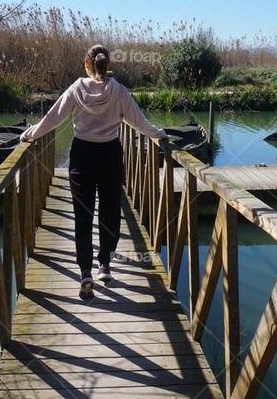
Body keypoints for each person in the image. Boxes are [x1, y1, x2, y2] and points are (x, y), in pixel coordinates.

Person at [20, 44, 167, 300]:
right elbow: (139, 122)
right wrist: (160, 133)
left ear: (87, 64)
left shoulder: (76, 89)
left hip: (82, 157)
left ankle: (85, 272)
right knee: (109, 212)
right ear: (107, 64)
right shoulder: (119, 91)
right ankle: (105, 266)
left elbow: (53, 118)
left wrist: (30, 133)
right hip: (110, 155)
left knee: (82, 215)